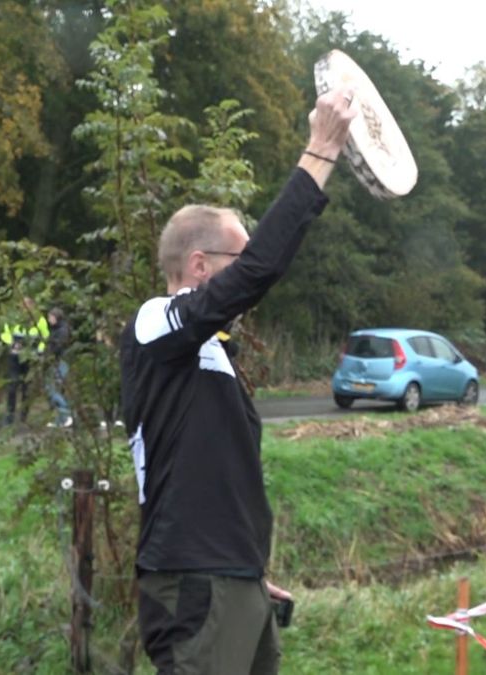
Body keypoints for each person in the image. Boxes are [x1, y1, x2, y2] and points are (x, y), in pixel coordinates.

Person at [120, 88, 355, 674]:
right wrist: (320, 153)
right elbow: (259, 272)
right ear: (199, 266)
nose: (250, 276)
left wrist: (249, 569)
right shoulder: (156, 323)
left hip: (234, 578)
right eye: (236, 260)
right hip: (192, 579)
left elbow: (219, 473)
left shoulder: (214, 353)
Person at [0, 297, 48, 426]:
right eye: (23, 306)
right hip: (15, 357)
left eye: (28, 306)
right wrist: (11, 343)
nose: (25, 309)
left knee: (27, 388)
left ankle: (24, 415)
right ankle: (9, 415)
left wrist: (40, 350)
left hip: (30, 358)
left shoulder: (39, 320)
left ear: (32, 306)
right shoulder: (13, 319)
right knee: (12, 385)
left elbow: (45, 337)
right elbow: (4, 333)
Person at [44, 307, 73, 428]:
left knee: (53, 388)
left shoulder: (62, 330)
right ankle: (61, 418)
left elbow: (59, 346)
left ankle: (66, 414)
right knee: (54, 388)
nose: (48, 319)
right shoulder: (56, 329)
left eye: (50, 317)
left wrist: (50, 352)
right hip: (55, 361)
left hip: (60, 361)